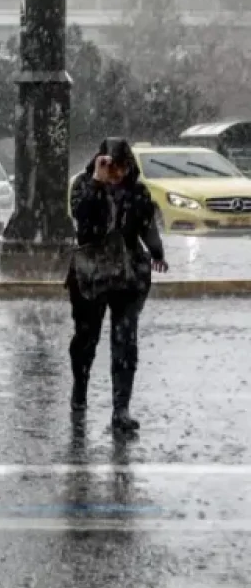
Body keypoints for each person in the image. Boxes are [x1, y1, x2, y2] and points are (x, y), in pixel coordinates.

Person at [67, 137, 168, 432]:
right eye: (112, 167)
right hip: (91, 274)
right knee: (86, 337)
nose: (118, 174)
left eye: (123, 167)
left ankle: (121, 408)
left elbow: (147, 225)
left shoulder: (137, 191)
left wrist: (157, 252)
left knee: (125, 340)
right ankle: (80, 388)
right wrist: (98, 183)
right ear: (101, 162)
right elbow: (83, 221)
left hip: (128, 275)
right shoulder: (84, 186)